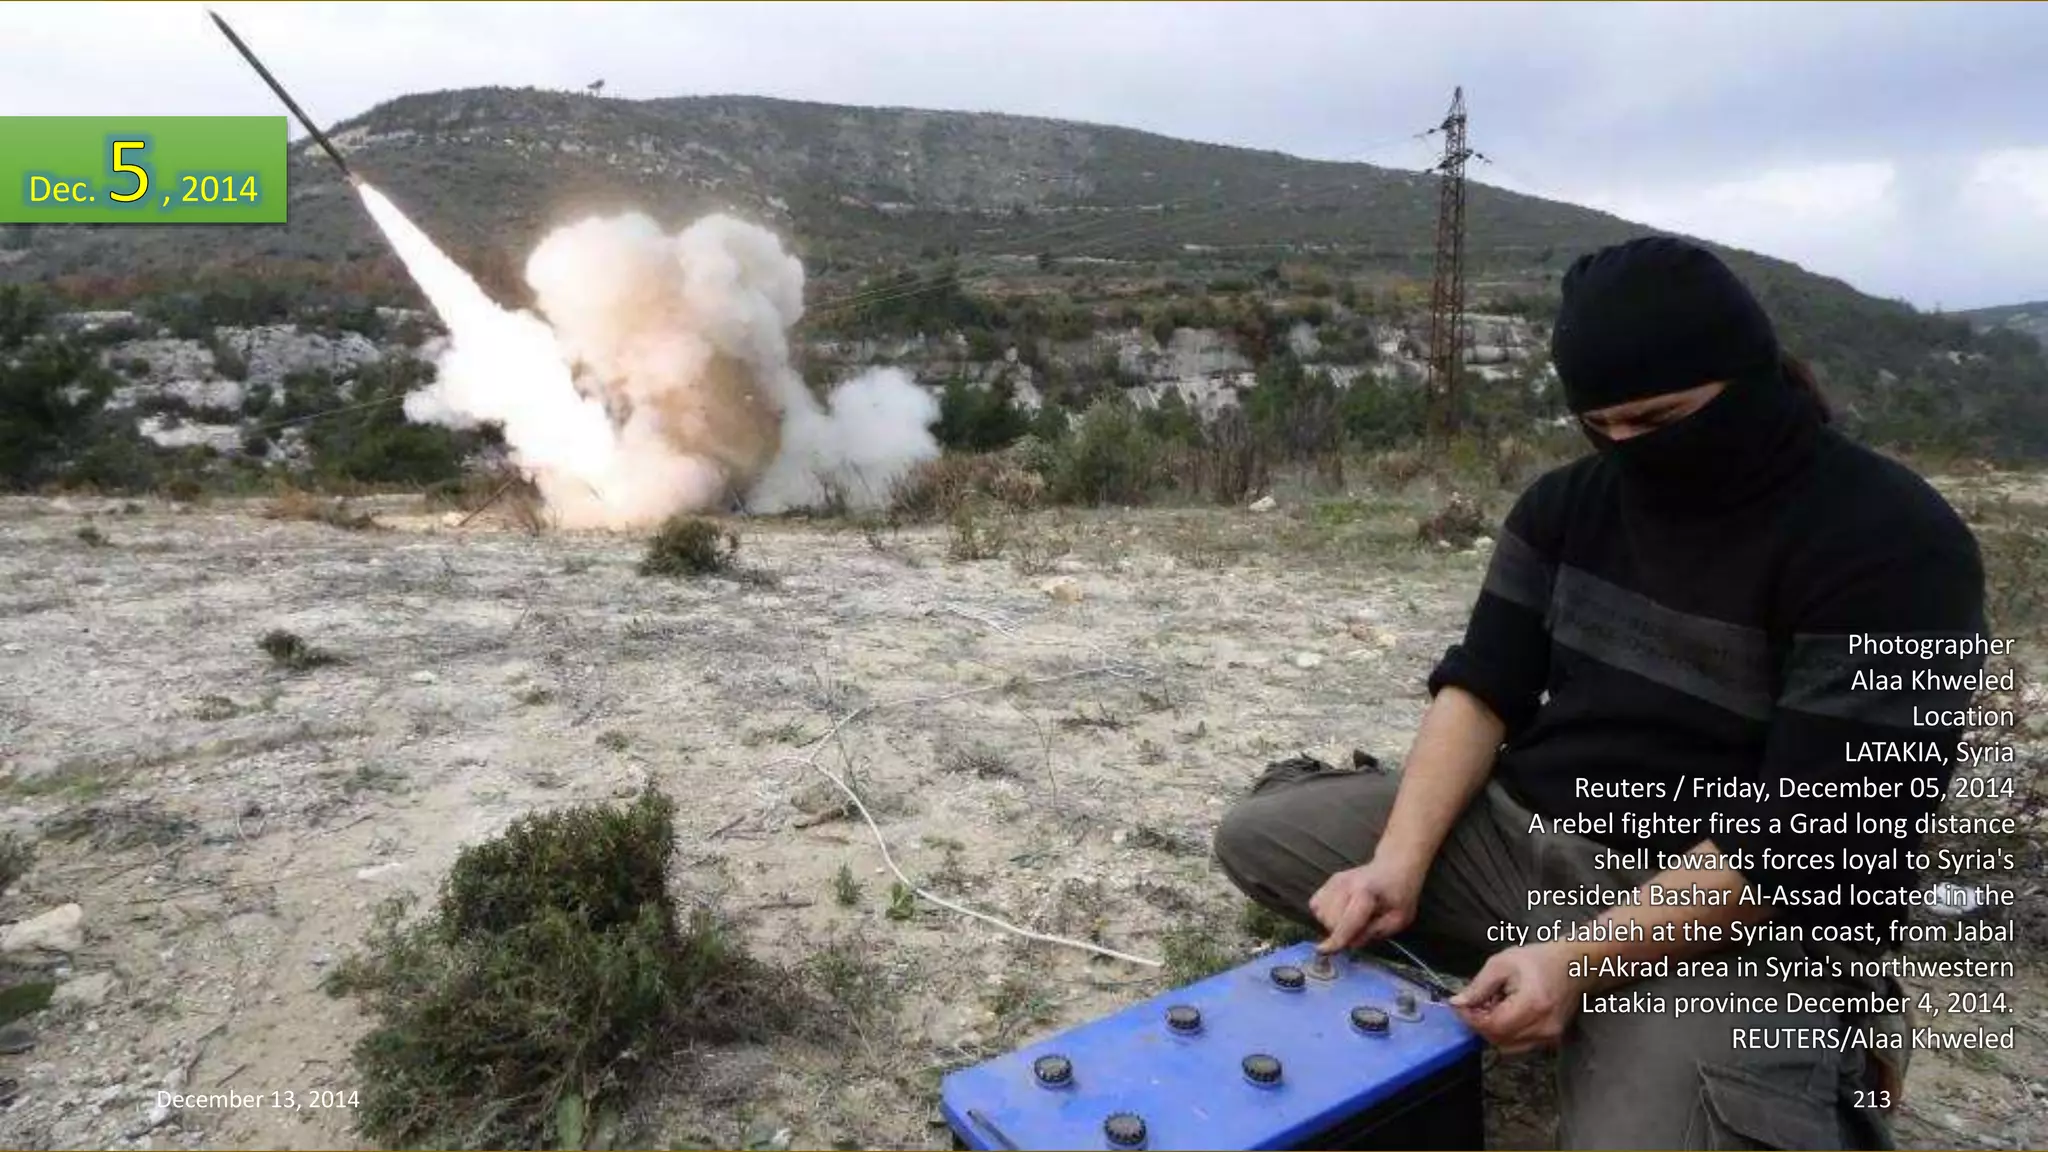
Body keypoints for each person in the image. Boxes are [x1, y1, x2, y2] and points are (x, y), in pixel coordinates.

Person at [1214, 236, 1988, 1150]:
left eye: (1659, 421)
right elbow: (1481, 691)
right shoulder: (1566, 505)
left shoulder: (1894, 544)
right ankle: (1535, 969)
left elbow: (1812, 834)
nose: (1629, 450)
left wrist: (1581, 960)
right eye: (1602, 425)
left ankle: (1817, 1046)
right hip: (1535, 846)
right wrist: (1400, 861)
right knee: (1263, 836)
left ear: (1750, 379)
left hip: (1743, 916)